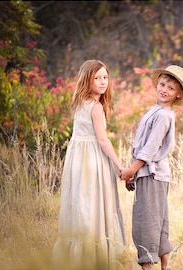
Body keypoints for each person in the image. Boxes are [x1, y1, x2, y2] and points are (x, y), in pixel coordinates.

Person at [52, 60, 126, 270]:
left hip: (77, 162)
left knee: (82, 206)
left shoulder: (80, 103)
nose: (103, 82)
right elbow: (102, 140)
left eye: (105, 77)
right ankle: (94, 257)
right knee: (94, 205)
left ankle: (77, 256)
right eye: (97, 78)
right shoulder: (95, 107)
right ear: (87, 80)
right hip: (93, 162)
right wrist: (119, 165)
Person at [120, 65, 183, 270]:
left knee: (146, 220)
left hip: (153, 174)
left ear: (178, 94)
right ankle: (164, 266)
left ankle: (149, 265)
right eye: (162, 84)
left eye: (171, 88)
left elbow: (150, 148)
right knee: (157, 218)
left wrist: (132, 169)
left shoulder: (164, 115)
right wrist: (134, 173)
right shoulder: (155, 111)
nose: (165, 90)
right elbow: (143, 144)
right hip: (151, 174)